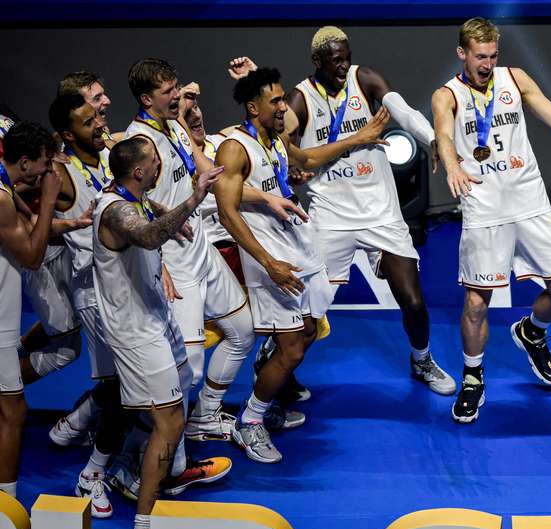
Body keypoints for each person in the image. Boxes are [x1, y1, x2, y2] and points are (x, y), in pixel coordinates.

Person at [431, 17, 551, 423]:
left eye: (493, 55)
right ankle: (472, 378)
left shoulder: (515, 80)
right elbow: (445, 137)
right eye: (479, 56)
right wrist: (451, 166)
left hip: (529, 199)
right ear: (461, 53)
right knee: (475, 302)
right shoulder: (446, 96)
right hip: (484, 205)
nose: (487, 63)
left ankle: (532, 330)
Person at [215, 66, 389, 463]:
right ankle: (251, 422)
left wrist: (357, 138)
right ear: (252, 106)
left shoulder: (273, 137)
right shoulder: (234, 147)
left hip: (298, 248)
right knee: (292, 350)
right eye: (275, 101)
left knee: (310, 330)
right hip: (272, 260)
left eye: (282, 98)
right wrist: (268, 262)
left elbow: (307, 155)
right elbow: (227, 212)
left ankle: (265, 384)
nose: (283, 106)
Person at [283, 26, 456, 396]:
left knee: (412, 299)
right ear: (317, 62)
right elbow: (286, 146)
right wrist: (292, 167)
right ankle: (281, 371)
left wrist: (434, 142)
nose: (344, 66)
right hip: (331, 216)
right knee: (309, 313)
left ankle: (421, 358)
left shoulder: (365, 79)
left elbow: (404, 111)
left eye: (346, 57)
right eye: (335, 61)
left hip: (381, 213)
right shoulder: (300, 99)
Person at [93, 136, 230, 529]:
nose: (160, 168)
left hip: (155, 318)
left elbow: (150, 221)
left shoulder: (132, 197)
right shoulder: (116, 211)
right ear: (139, 171)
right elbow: (149, 236)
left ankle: (160, 471)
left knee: (175, 401)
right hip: (135, 333)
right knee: (168, 422)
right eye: (155, 163)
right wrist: (194, 198)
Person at [124, 58, 256, 443]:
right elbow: (130, 204)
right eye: (168, 91)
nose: (176, 95)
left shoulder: (174, 126)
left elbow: (205, 173)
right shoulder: (141, 143)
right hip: (173, 262)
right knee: (190, 368)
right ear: (147, 98)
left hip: (200, 247)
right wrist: (157, 263)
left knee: (243, 331)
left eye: (176, 86)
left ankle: (207, 416)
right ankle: (159, 451)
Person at [48, 92, 127, 517]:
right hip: (93, 293)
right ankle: (92, 473)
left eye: (97, 116)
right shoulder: (60, 174)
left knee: (130, 380)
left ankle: (76, 422)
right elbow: (26, 223)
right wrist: (65, 225)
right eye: (87, 121)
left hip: (125, 284)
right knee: (121, 388)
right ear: (66, 134)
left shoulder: (109, 156)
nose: (99, 124)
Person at [0, 121, 60, 503]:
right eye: (43, 165)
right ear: (24, 162)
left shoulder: (8, 191)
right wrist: (50, 198)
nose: (47, 172)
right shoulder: (2, 199)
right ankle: (6, 514)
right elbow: (33, 257)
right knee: (14, 412)